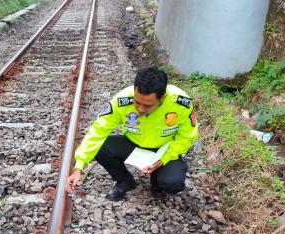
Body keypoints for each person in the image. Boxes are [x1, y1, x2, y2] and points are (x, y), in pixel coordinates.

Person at [66, 67, 198, 201]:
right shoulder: (122, 100)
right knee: (101, 146)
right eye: (137, 102)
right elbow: (98, 130)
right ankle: (125, 180)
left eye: (147, 106)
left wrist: (164, 159)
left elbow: (186, 137)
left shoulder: (181, 103)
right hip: (134, 144)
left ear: (162, 98)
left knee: (172, 184)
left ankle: (157, 181)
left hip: (164, 149)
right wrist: (79, 167)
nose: (140, 109)